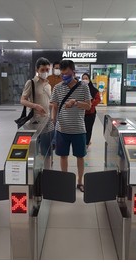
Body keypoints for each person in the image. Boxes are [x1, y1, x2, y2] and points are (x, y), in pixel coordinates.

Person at [51, 60, 92, 192]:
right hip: (62, 129)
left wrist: (75, 102)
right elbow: (55, 105)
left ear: (74, 72)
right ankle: (65, 181)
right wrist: (53, 119)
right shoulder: (57, 87)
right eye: (62, 74)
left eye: (67, 73)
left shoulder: (84, 87)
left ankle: (80, 182)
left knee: (80, 156)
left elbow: (88, 105)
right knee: (63, 156)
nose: (64, 76)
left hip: (79, 129)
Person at [20, 57, 53, 167]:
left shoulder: (48, 84)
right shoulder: (31, 83)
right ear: (37, 70)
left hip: (48, 121)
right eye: (42, 70)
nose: (45, 72)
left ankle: (47, 173)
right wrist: (35, 106)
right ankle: (33, 171)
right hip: (35, 121)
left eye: (47, 70)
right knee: (33, 150)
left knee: (47, 151)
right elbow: (22, 100)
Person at [81, 73, 101, 149]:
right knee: (82, 128)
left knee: (88, 128)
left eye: (86, 78)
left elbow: (98, 99)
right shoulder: (80, 89)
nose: (85, 80)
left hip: (90, 113)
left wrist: (90, 104)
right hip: (81, 112)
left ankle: (86, 143)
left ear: (89, 79)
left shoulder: (94, 90)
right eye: (83, 78)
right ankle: (82, 141)